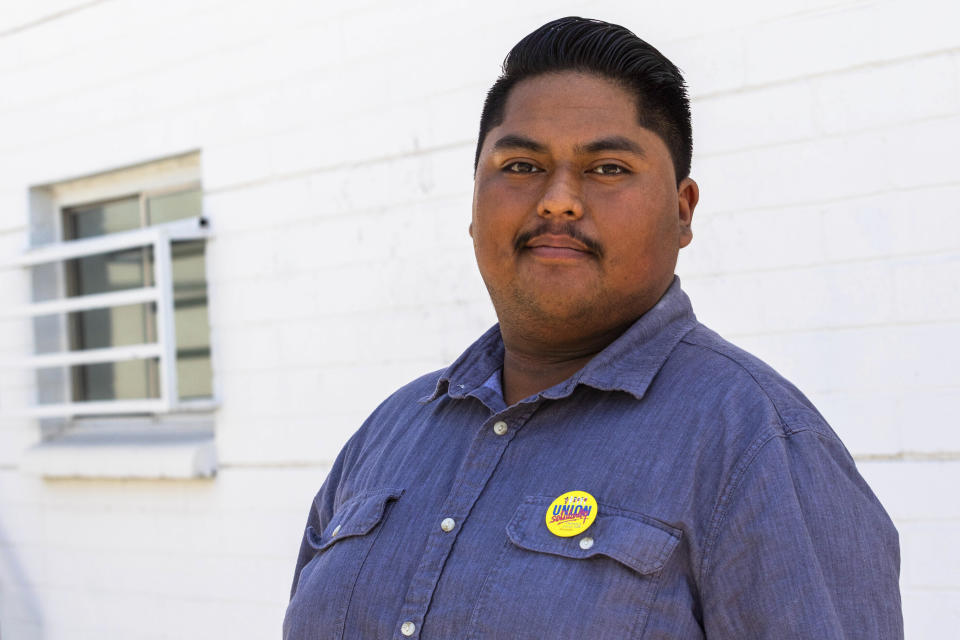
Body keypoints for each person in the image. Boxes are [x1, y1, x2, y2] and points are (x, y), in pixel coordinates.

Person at [283, 16, 903, 639]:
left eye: (607, 168)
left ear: (682, 212)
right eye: (521, 165)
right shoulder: (390, 434)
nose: (557, 199)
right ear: (473, 204)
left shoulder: (758, 446)